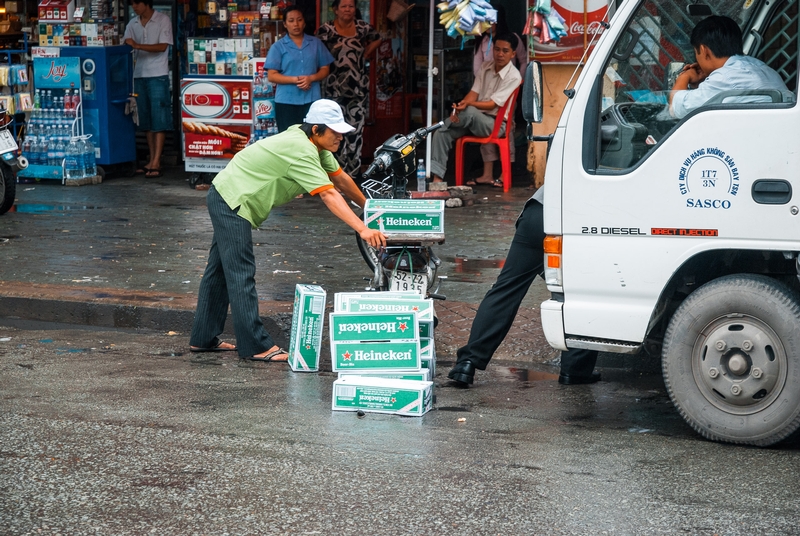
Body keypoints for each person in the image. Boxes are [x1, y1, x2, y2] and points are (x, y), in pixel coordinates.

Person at [189, 100, 386, 361]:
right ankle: (256, 346)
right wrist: (362, 228)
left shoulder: (313, 144)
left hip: (228, 193)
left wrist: (371, 210)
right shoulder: (301, 150)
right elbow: (329, 194)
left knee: (219, 271)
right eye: (335, 132)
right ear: (316, 129)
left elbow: (340, 179)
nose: (341, 137)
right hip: (232, 200)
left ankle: (203, 338)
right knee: (240, 273)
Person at [448, 188, 600, 386]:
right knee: (582, 290)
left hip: (538, 213)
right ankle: (575, 370)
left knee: (506, 289)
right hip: (574, 219)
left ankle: (467, 362)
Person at [430, 34, 522, 187]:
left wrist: (468, 106)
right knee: (441, 134)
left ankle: (442, 124)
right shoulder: (485, 67)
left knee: (470, 112)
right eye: (497, 49)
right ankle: (437, 180)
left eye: (505, 51)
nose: (500, 54)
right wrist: (461, 106)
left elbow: (492, 104)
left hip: (496, 125)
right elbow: (473, 93)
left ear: (513, 54)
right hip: (473, 120)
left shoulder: (514, 76)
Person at [670, 15, 791, 119]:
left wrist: (684, 77)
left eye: (696, 53)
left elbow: (676, 109)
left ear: (704, 50)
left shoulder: (726, 77)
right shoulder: (765, 69)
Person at [316, 0, 380, 179]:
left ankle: (352, 175)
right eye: (343, 6)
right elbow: (316, 51)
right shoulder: (326, 30)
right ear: (335, 10)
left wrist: (366, 53)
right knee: (332, 131)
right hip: (333, 90)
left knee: (354, 132)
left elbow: (378, 38)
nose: (347, 9)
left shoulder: (362, 28)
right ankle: (334, 174)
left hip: (358, 89)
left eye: (351, 6)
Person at [470, 6, 528, 186]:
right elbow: (477, 66)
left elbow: (524, 60)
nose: (489, 24)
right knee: (486, 129)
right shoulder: (483, 39)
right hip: (486, 90)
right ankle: (487, 174)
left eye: (492, 20)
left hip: (507, 88)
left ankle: (505, 173)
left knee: (507, 130)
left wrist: (521, 83)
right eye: (485, 20)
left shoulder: (512, 38)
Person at [123, 0, 173, 179]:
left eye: (137, 3)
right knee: (145, 119)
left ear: (146, 4)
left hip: (157, 74)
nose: (134, 7)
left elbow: (162, 46)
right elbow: (125, 45)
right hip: (138, 75)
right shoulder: (132, 23)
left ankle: (157, 161)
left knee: (159, 118)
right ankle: (151, 159)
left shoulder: (162, 20)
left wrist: (137, 45)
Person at [266, 7, 334, 133]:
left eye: (299, 20)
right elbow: (272, 75)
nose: (296, 24)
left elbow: (325, 68)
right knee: (288, 137)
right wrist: (296, 79)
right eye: (291, 21)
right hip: (286, 101)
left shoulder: (316, 43)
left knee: (312, 136)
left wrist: (311, 78)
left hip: (311, 99)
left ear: (304, 22)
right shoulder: (278, 47)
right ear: (285, 24)